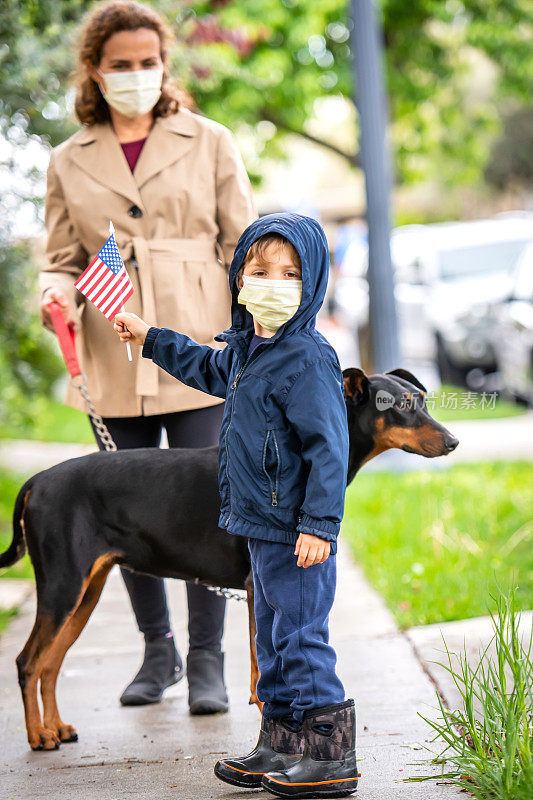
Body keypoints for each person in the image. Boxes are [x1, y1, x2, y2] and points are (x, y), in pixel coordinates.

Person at [39, 0, 256, 713]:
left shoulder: (211, 140)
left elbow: (243, 246)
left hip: (200, 348)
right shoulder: (67, 159)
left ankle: (205, 662)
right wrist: (55, 297)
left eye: (147, 63)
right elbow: (61, 259)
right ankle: (156, 651)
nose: (135, 75)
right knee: (122, 507)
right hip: (111, 347)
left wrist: (251, 338)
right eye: (119, 65)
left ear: (164, 66)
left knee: (214, 506)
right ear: (95, 72)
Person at [114, 212, 358, 798]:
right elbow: (203, 364)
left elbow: (329, 448)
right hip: (259, 526)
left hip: (298, 530)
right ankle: (280, 743)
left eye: (290, 274)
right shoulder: (247, 351)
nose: (273, 282)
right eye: (260, 269)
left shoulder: (308, 357)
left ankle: (328, 754)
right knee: (272, 638)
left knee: (302, 637)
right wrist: (150, 338)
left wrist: (320, 524)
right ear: (239, 278)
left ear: (314, 283)